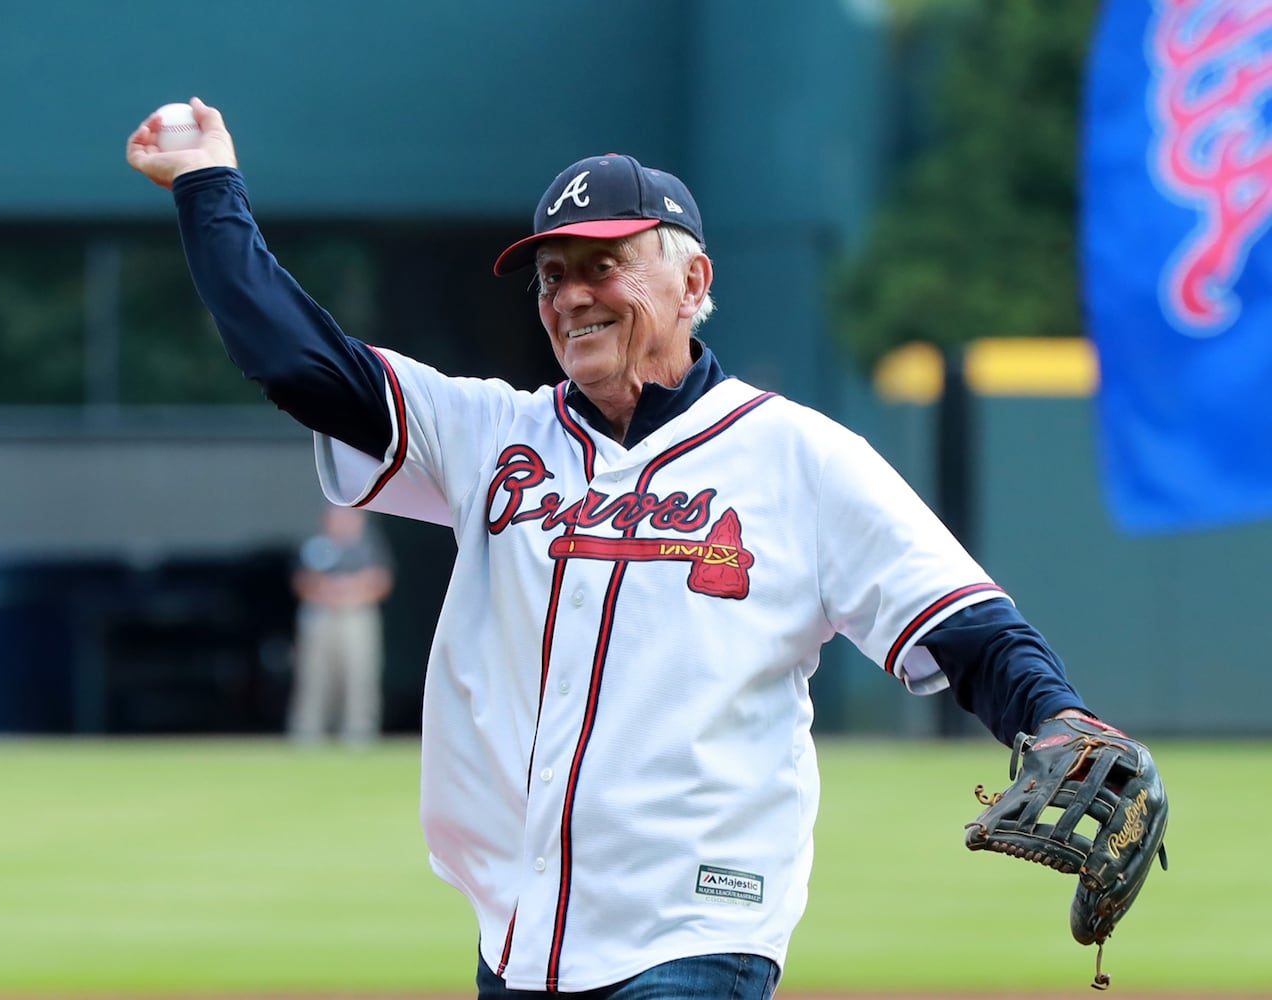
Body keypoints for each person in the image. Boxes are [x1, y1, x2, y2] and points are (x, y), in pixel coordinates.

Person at [126, 98, 1112, 999]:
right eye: (552, 276)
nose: (571, 296)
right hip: (520, 933)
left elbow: (968, 623)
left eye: (603, 264)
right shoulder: (486, 437)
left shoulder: (796, 455)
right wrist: (211, 190)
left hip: (697, 927)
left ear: (692, 280)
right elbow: (294, 358)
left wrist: (1055, 715)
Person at [288, 503, 395, 745]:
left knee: (359, 675)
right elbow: (300, 581)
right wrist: (325, 590)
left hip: (355, 614)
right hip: (320, 614)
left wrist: (351, 589)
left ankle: (359, 733)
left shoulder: (369, 547)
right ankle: (308, 733)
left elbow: (382, 581)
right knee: (314, 676)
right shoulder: (315, 546)